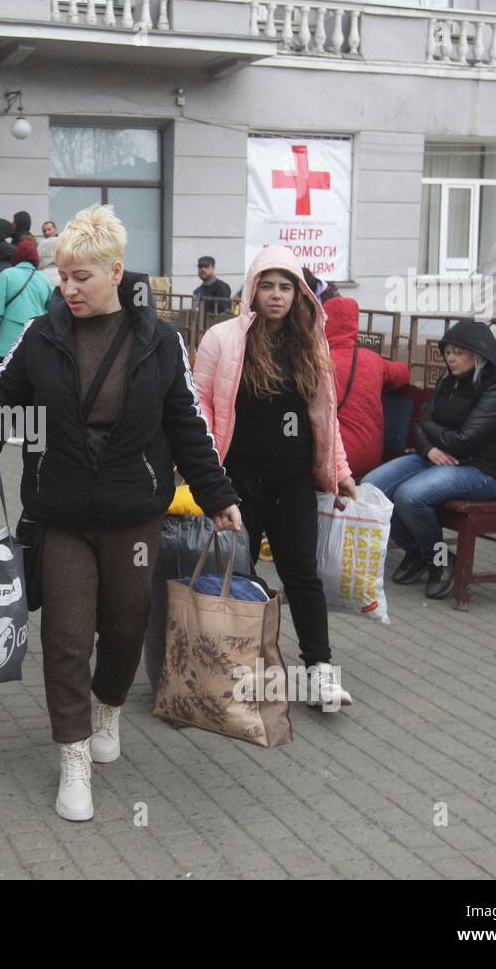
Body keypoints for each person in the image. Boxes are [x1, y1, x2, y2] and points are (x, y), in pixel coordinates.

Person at [0, 205, 242, 823]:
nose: (68, 289)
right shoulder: (41, 334)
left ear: (116, 272)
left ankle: (108, 706)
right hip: (62, 514)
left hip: (133, 514)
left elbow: (187, 425)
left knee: (125, 626)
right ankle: (74, 756)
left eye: (82, 277)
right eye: (63, 277)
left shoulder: (160, 340)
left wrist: (218, 495)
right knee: (66, 636)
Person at [193, 245, 357, 709]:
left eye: (286, 287)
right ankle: (232, 669)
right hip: (238, 480)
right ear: (253, 289)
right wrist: (207, 473)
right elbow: (198, 405)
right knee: (237, 574)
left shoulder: (310, 342)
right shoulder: (223, 339)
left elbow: (325, 417)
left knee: (302, 573)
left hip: (293, 481)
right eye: (267, 285)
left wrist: (339, 470)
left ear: (299, 293)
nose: (276, 295)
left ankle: (320, 671)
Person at [363, 321, 496, 600]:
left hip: (479, 470)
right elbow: (420, 423)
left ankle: (440, 560)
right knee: (371, 486)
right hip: (434, 458)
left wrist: (430, 430)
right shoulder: (448, 381)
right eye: (448, 352)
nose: (451, 359)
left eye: (459, 353)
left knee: (410, 496)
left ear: (478, 356)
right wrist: (429, 449)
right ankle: (417, 552)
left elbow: (464, 439)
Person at [322, 296, 411, 480]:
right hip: (370, 459)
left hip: (335, 461)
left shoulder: (318, 362)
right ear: (355, 325)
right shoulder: (371, 360)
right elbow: (403, 374)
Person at [0, 240, 53, 363]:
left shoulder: (6, 275)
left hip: (6, 343)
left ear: (17, 255)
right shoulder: (44, 279)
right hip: (36, 341)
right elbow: (52, 311)